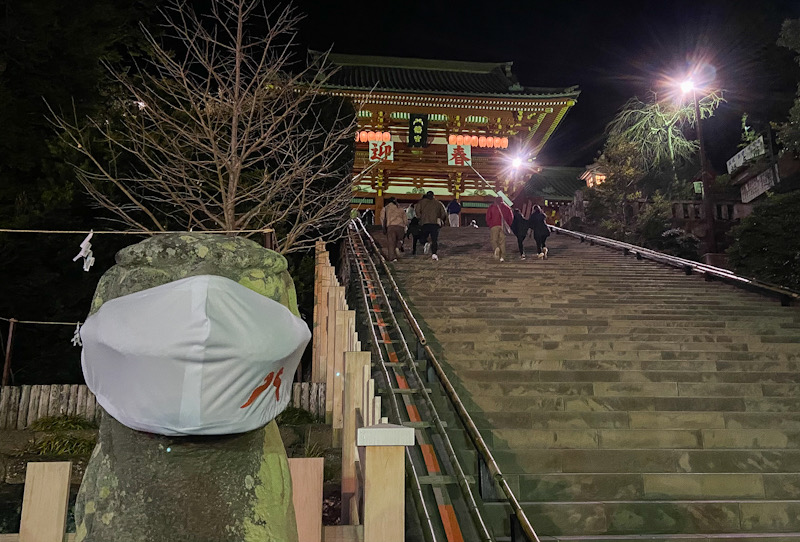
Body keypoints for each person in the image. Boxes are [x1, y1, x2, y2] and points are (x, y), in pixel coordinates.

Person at [414, 191, 447, 261]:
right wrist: (440, 218)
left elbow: (417, 211)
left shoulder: (421, 203)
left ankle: (425, 243)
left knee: (422, 237)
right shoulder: (438, 203)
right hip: (435, 223)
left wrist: (420, 217)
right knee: (434, 239)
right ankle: (434, 254)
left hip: (425, 222)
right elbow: (443, 213)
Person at [485, 196, 513, 262]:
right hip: (503, 226)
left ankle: (496, 248)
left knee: (494, 240)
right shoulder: (507, 208)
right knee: (502, 241)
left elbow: (488, 217)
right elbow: (511, 218)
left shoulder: (491, 207)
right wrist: (508, 225)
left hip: (494, 225)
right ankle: (502, 257)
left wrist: (490, 224)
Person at [380, 197, 408, 261]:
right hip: (400, 226)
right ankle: (398, 246)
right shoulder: (400, 209)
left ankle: (392, 258)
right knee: (400, 239)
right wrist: (405, 225)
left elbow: (382, 218)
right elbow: (405, 220)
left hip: (391, 226)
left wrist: (384, 227)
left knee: (391, 243)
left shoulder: (385, 209)